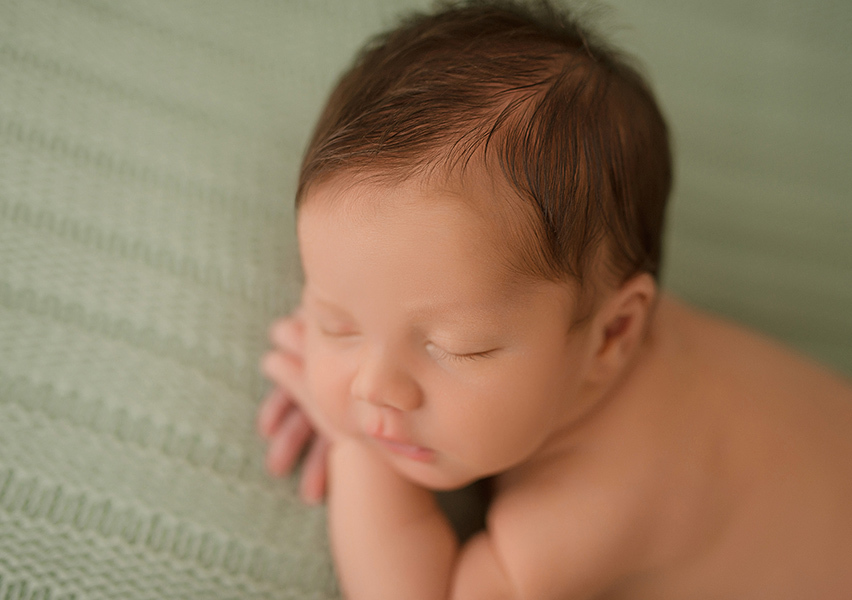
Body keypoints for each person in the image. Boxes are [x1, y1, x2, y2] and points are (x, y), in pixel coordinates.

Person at [258, 1, 852, 597]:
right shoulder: (574, 306)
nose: (374, 386)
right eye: (338, 324)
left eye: (459, 347)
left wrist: (356, 453)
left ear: (613, 335)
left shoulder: (603, 492)